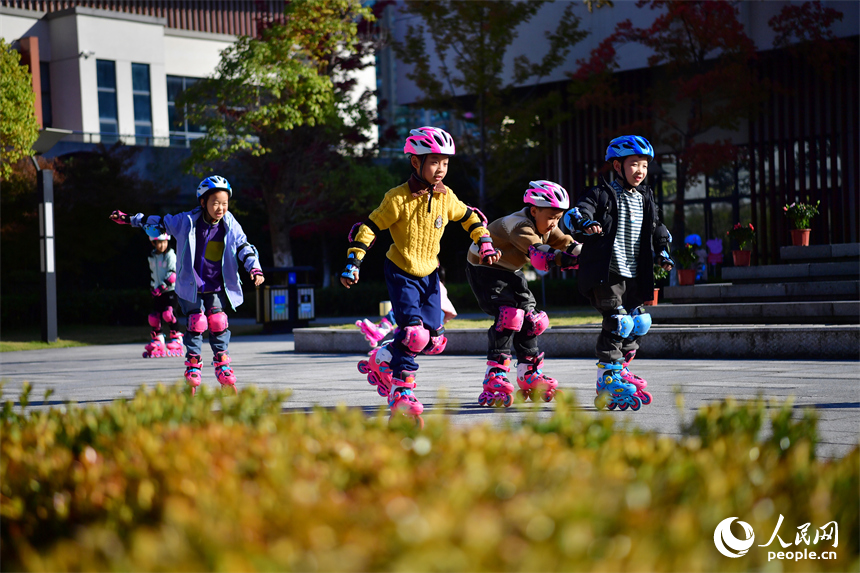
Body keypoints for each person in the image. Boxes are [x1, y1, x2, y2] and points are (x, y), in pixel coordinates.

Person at [341, 126, 500, 425]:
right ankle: (401, 391)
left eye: (445, 163)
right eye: (434, 162)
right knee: (413, 334)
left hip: (429, 273)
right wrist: (354, 262)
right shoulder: (397, 198)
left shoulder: (446, 196)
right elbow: (369, 228)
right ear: (416, 162)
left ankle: (382, 359)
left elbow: (470, 217)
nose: (440, 169)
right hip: (401, 271)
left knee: (434, 341)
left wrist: (485, 241)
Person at [110, 175, 265, 394]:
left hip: (216, 286)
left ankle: (223, 366)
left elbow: (243, 246)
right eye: (215, 203)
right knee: (196, 322)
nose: (220, 208)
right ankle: (193, 368)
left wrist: (254, 268)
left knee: (219, 322)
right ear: (203, 202)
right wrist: (129, 219)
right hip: (190, 285)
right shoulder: (186, 221)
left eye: (224, 203)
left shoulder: (230, 222)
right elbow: (158, 221)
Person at [564, 135, 673, 411]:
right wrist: (585, 222)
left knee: (638, 322)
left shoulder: (645, 197)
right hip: (607, 271)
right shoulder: (601, 194)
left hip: (634, 271)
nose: (640, 171)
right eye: (634, 164)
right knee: (617, 322)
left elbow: (657, 227)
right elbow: (575, 213)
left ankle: (620, 368)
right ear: (617, 166)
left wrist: (663, 251)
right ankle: (607, 378)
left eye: (644, 165)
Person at [466, 180, 581, 407]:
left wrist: (584, 253)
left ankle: (529, 371)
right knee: (509, 315)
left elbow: (565, 242)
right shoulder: (518, 225)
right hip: (484, 268)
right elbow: (538, 252)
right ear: (534, 210)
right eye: (551, 217)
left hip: (510, 270)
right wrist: (565, 259)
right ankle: (495, 373)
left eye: (558, 218)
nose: (554, 223)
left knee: (533, 319)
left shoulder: (546, 224)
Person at [141, 232, 184, 358]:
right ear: (153, 243)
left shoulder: (170, 255)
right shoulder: (152, 257)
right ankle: (158, 340)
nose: (162, 245)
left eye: (164, 242)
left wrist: (160, 287)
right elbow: (153, 274)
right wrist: (153, 287)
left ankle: (177, 338)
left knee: (168, 313)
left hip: (170, 290)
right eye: (159, 242)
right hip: (157, 291)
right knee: (154, 317)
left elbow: (173, 275)